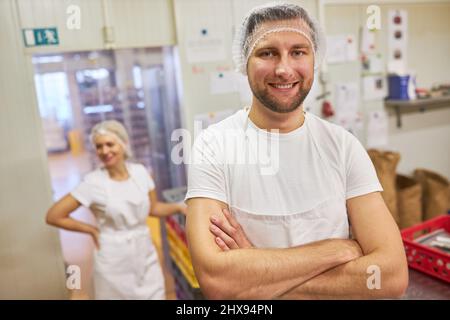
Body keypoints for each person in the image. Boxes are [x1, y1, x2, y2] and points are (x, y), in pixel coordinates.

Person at [185, 3, 408, 299]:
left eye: (298, 52)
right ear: (244, 61)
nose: (284, 68)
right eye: (267, 53)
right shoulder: (214, 146)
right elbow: (218, 281)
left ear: (315, 58)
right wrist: (336, 251)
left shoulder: (342, 146)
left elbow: (389, 276)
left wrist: (257, 278)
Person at [46, 120, 186, 299]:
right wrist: (90, 230)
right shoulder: (93, 182)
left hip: (144, 251)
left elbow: (153, 208)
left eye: (109, 144)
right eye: (99, 146)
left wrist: (179, 207)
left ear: (123, 143)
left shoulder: (140, 173)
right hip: (112, 258)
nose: (105, 151)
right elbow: (54, 215)